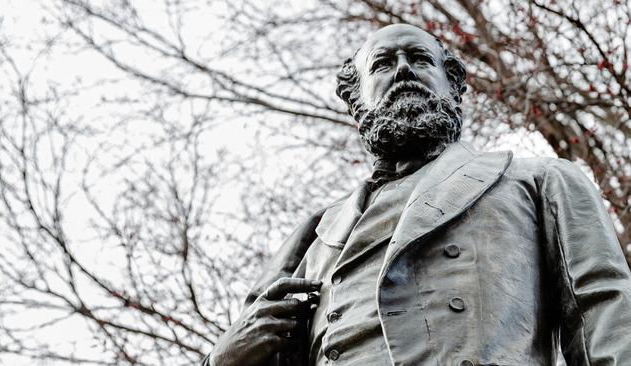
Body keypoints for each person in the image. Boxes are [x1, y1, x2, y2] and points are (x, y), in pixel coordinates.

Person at [206, 24, 631, 366]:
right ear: (357, 101)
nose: (404, 70)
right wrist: (223, 359)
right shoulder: (314, 237)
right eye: (384, 64)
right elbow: (260, 342)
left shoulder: (539, 180)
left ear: (454, 86)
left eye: (420, 58)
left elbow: (603, 310)